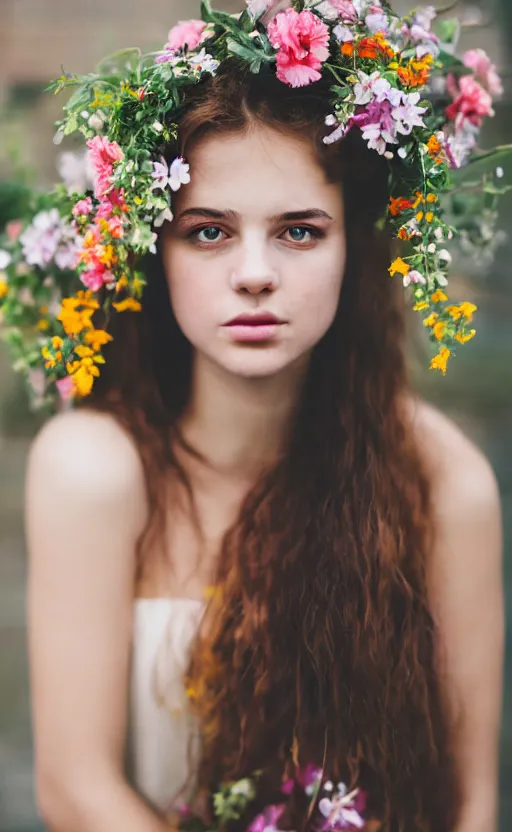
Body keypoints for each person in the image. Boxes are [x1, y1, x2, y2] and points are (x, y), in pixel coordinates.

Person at [18, 2, 504, 831]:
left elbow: (471, 803)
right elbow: (74, 787)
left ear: (355, 249)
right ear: (153, 249)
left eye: (299, 233)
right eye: (207, 232)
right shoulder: (95, 471)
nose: (254, 274)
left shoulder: (443, 482)